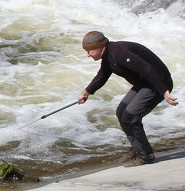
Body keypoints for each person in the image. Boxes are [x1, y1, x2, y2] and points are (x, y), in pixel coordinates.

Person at [75, 31, 178, 166]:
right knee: (121, 111)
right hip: (143, 84)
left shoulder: (119, 53)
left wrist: (164, 91)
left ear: (99, 47)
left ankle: (146, 156)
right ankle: (137, 148)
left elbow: (147, 69)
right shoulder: (108, 55)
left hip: (156, 83)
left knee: (131, 115)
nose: (88, 55)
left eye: (89, 51)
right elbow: (102, 75)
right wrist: (86, 92)